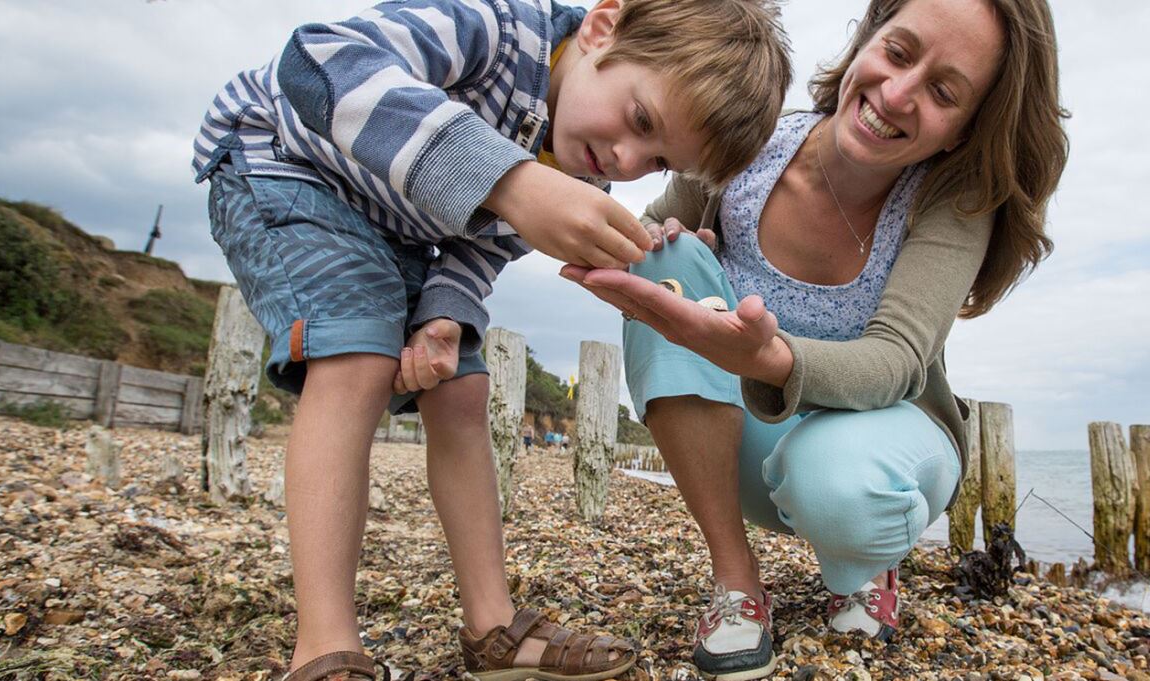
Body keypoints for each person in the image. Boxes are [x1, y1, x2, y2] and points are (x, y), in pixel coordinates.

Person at [191, 1, 790, 679]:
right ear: (602, 28)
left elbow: (480, 246)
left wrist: (444, 317)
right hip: (283, 160)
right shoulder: (495, 28)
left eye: (654, 161)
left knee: (464, 389)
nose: (626, 160)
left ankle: (493, 626)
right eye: (641, 120)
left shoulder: (582, 164)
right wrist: (511, 179)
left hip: (398, 227)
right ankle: (325, 645)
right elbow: (318, 59)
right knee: (357, 355)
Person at [563, 0, 1067, 677]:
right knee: (664, 262)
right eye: (897, 52)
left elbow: (895, 361)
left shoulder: (952, 203)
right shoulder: (747, 142)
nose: (896, 94)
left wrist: (769, 356)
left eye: (943, 91)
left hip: (882, 440)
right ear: (867, 38)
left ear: (964, 129)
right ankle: (737, 580)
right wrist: (643, 242)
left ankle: (864, 567)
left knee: (835, 477)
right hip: (747, 445)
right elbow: (637, 240)